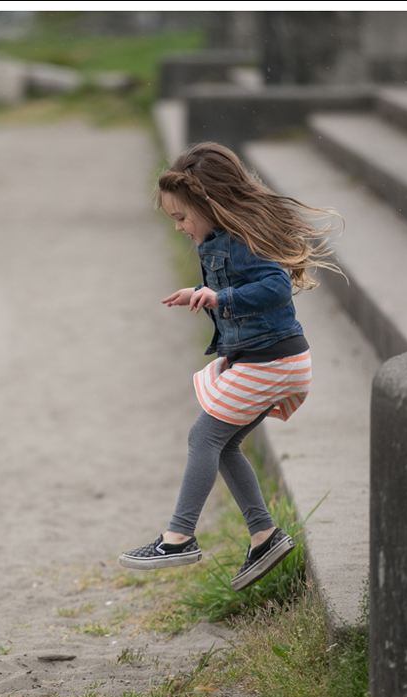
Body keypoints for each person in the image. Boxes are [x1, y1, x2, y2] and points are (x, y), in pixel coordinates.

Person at [119, 142, 341, 591]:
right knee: (222, 444)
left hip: (273, 360)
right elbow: (232, 286)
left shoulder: (239, 242)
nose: (180, 227)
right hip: (266, 359)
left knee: (204, 435)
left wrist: (222, 298)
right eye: (174, 220)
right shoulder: (217, 242)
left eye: (183, 217)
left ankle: (178, 537)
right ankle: (264, 536)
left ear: (208, 204)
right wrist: (198, 292)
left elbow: (275, 285)